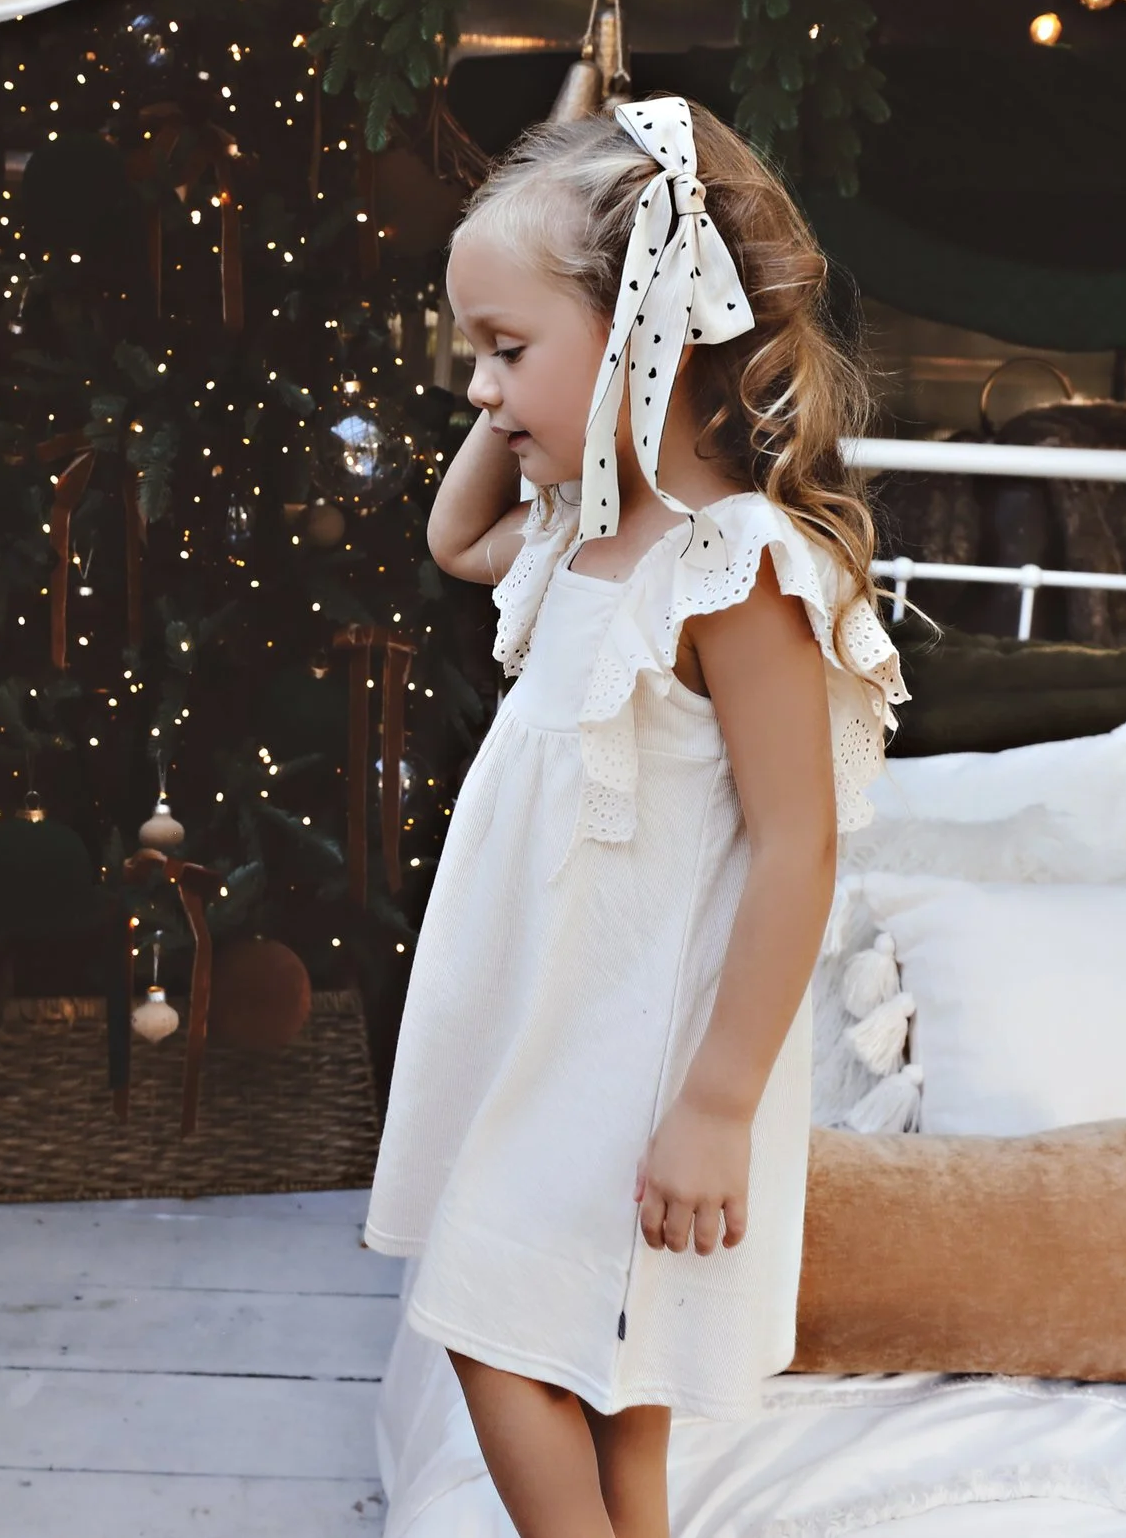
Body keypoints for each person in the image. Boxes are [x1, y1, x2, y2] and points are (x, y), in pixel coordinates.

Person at [365, 96, 910, 1537]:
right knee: (607, 1363)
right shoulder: (571, 528)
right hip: (552, 1013)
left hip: (642, 1042)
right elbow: (450, 536)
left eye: (504, 350)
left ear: (646, 328)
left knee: (487, 1314)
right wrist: (538, 394)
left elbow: (802, 843)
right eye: (469, 353)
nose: (475, 390)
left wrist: (718, 1105)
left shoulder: (733, 565)